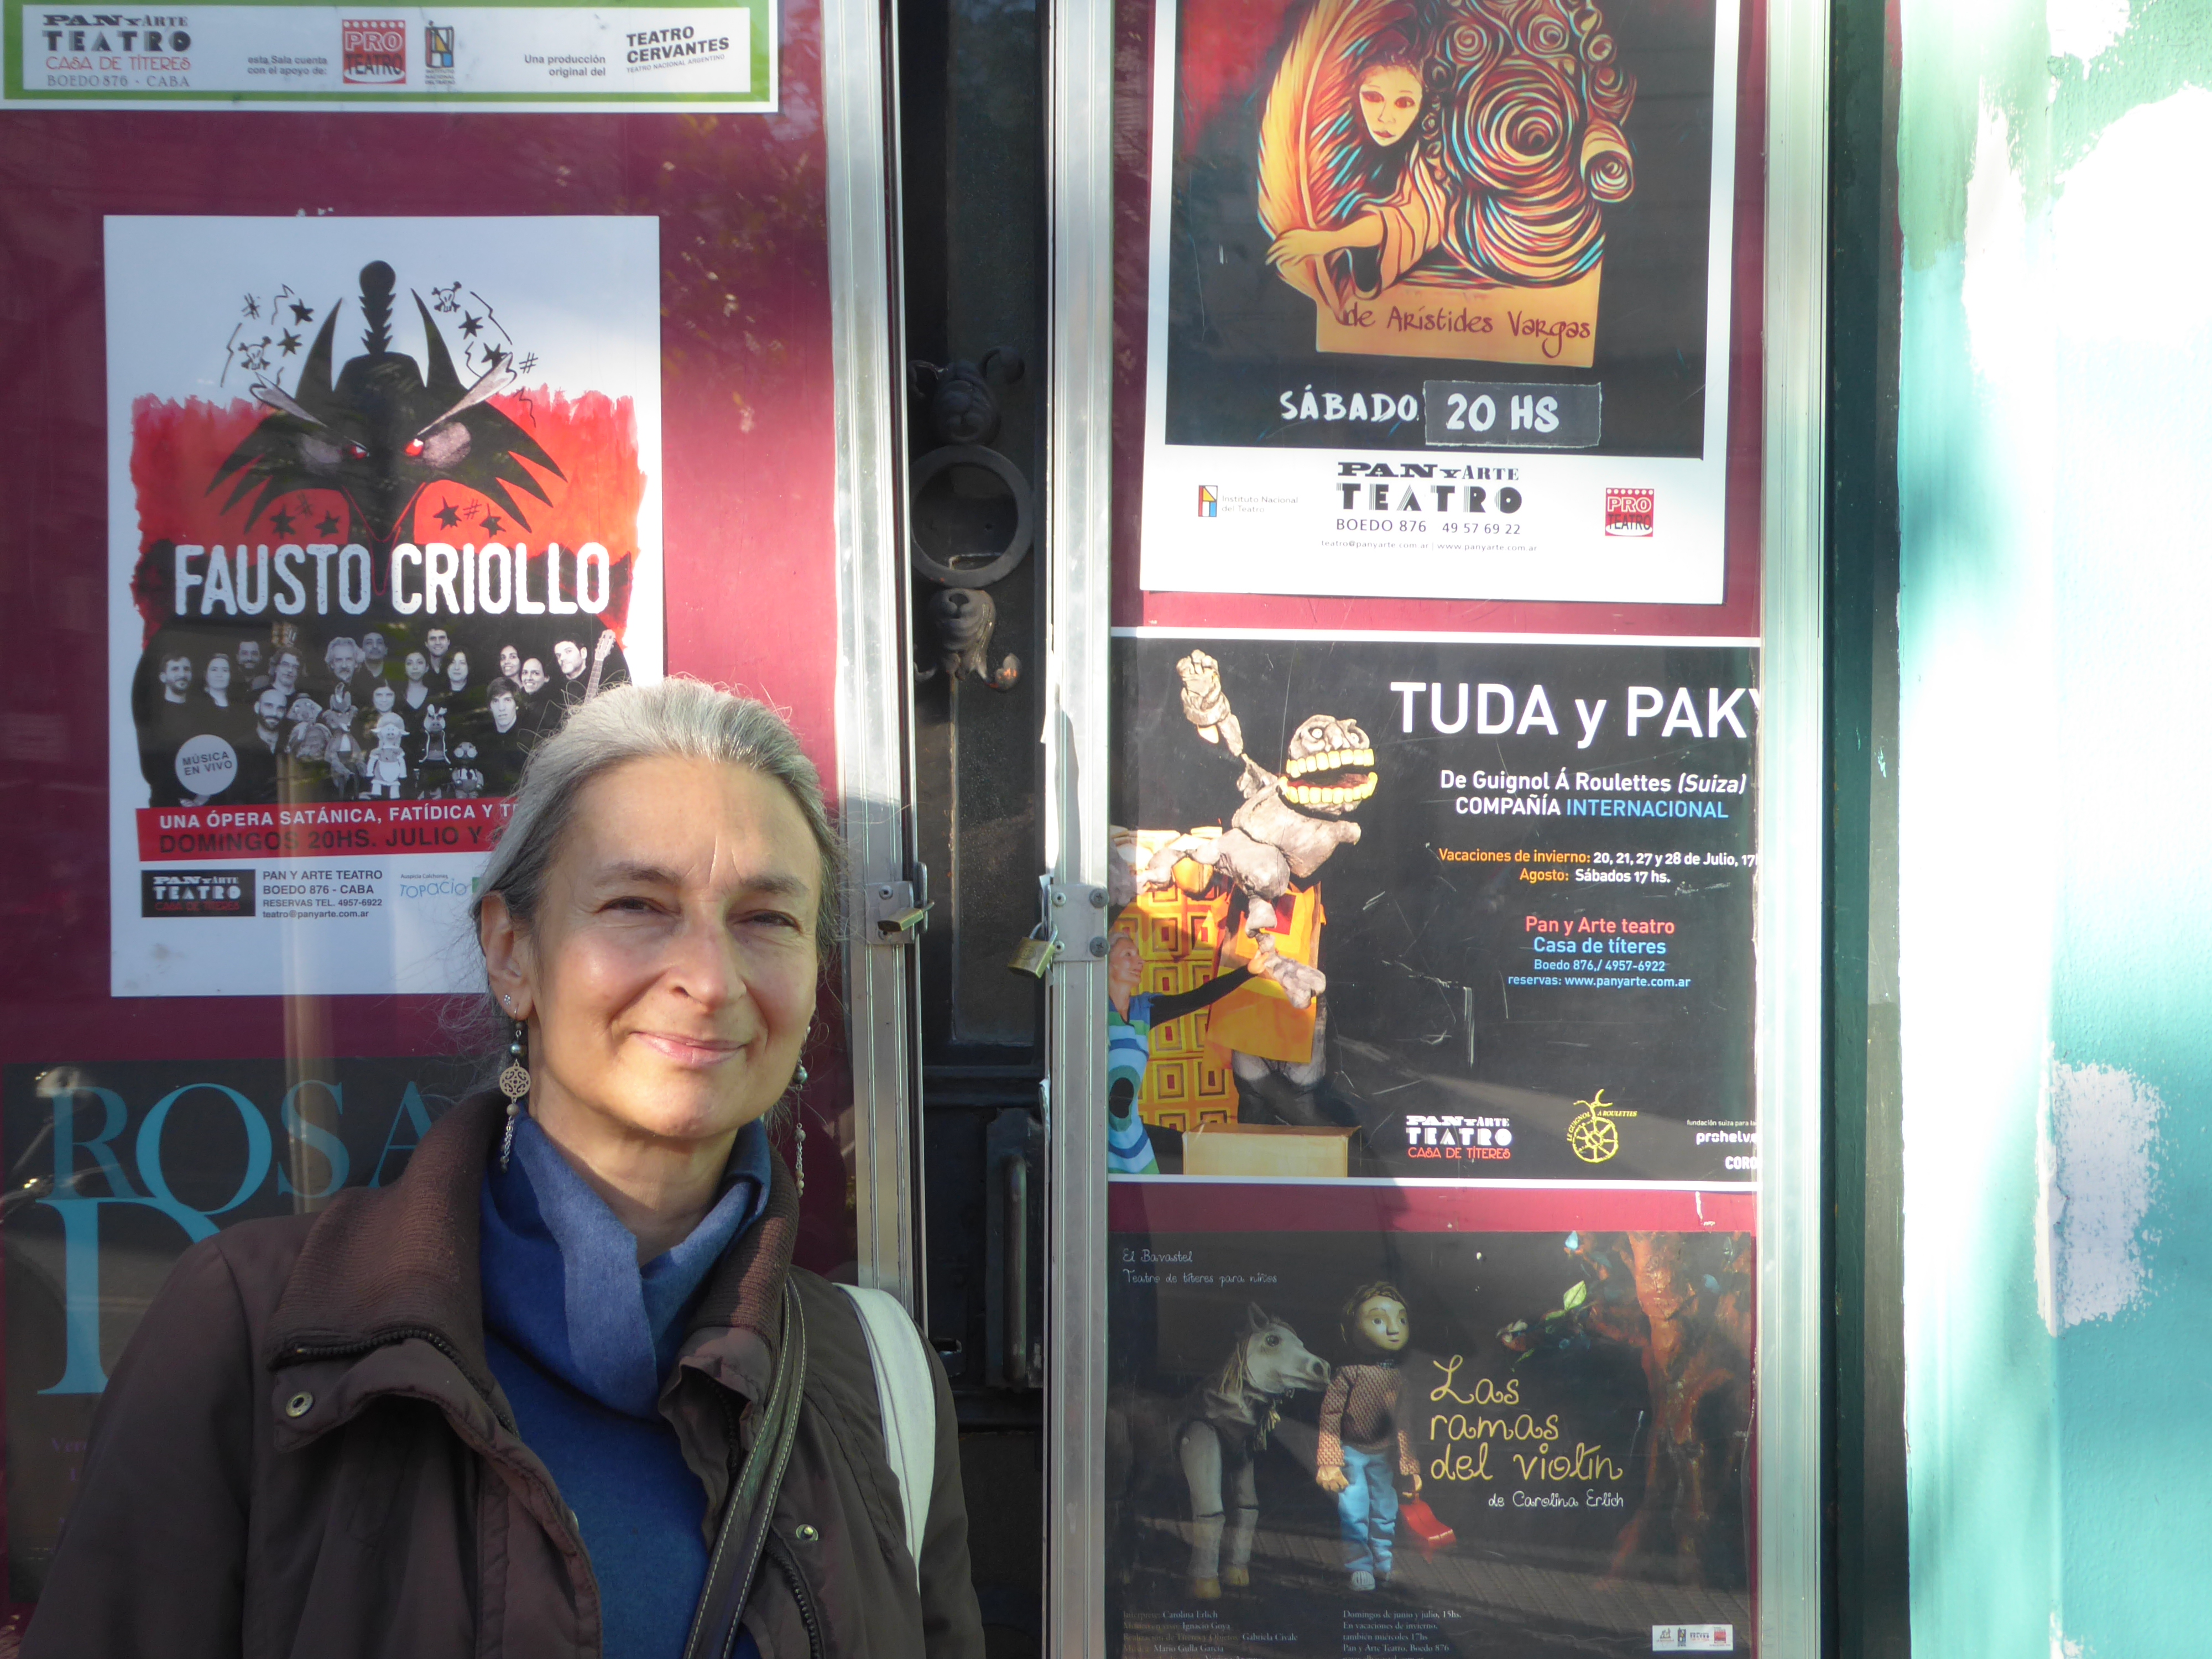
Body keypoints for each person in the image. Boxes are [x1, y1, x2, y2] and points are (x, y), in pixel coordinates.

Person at [26, 679, 986, 1659]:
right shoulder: (251, 1330)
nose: (709, 979)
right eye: (637, 905)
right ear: (511, 951)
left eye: (768, 918)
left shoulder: (880, 1382)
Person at [1316, 1281, 1421, 1593]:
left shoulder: (1400, 1380)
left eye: (1401, 1320)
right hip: (1351, 1453)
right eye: (1378, 1320)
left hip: (1383, 1455)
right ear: (1353, 1327)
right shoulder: (1348, 1375)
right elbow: (1330, 1417)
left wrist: (1409, 1467)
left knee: (1386, 1508)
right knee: (1354, 1508)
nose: (1394, 1329)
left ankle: (1383, 1560)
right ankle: (1360, 1565)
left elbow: (1403, 1425)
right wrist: (1329, 1461)